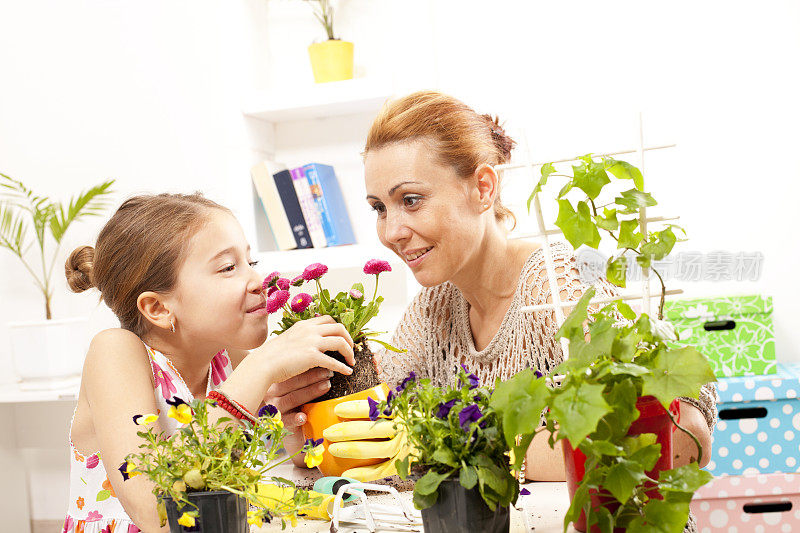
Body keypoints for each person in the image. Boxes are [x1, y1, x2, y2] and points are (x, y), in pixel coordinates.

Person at [271, 91, 716, 488]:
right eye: (378, 207)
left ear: (483, 188)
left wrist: (445, 444)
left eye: (410, 200)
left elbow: (683, 438)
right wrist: (310, 427)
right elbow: (377, 429)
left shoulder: (557, 288)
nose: (391, 231)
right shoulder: (434, 309)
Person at [62, 193, 355, 532]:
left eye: (251, 262)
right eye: (228, 268)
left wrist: (298, 422)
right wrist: (261, 367)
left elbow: (299, 460)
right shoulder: (116, 353)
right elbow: (154, 511)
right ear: (158, 308)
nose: (259, 281)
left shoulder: (227, 361)